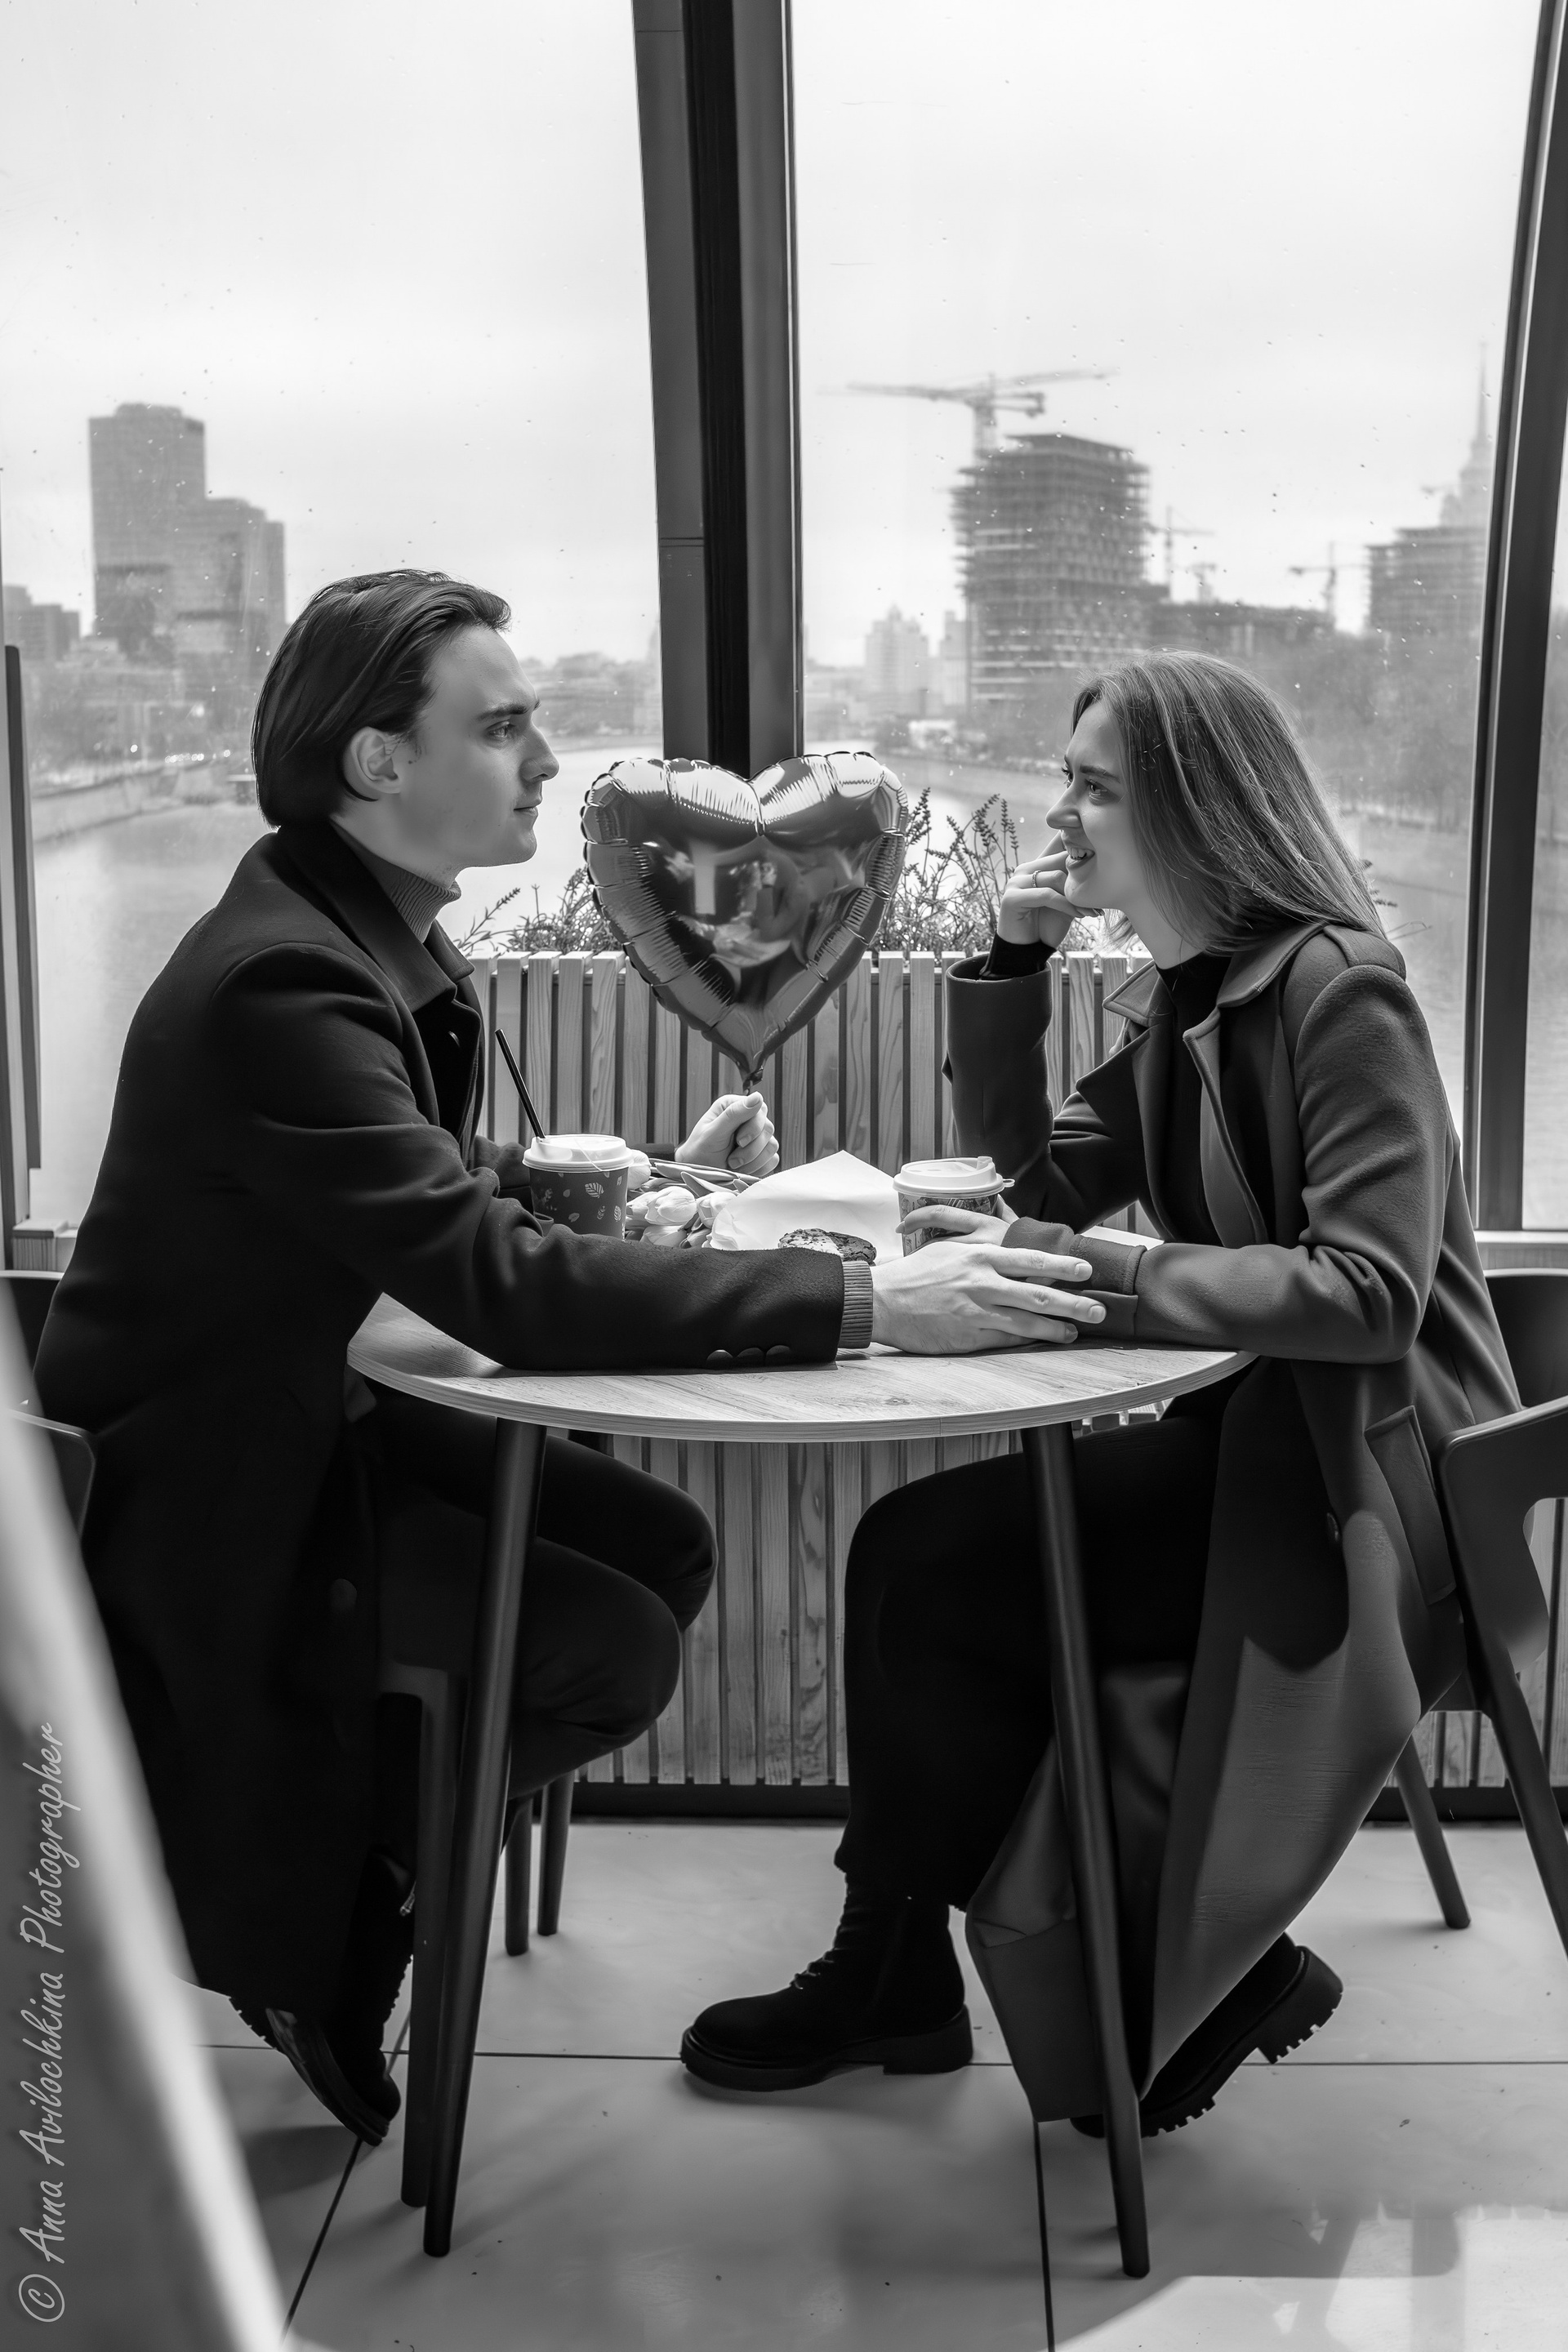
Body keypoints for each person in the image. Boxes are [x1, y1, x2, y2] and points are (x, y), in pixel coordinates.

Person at [34, 569, 1102, 2145]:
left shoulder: (347, 933)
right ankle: (347, 1900)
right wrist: (871, 1303)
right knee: (614, 1654)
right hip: (222, 1495)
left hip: (310, 1417)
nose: (546, 761)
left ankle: (379, 1832)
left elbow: (437, 1194)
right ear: (376, 761)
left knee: (661, 1541)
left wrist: (654, 1178)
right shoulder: (286, 984)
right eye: (504, 728)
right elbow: (495, 1288)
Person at [682, 651, 1518, 2138]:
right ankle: (1000, 1961)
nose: (1059, 812)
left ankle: (1037, 1965)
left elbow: (1371, 1294)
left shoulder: (1343, 991)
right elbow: (1039, 1187)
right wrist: (1012, 967)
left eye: (1094, 786)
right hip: (1269, 1448)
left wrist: (1113, 1272)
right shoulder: (1198, 999)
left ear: (1195, 808)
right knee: (933, 1560)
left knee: (934, 1563)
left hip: (1372, 1496)